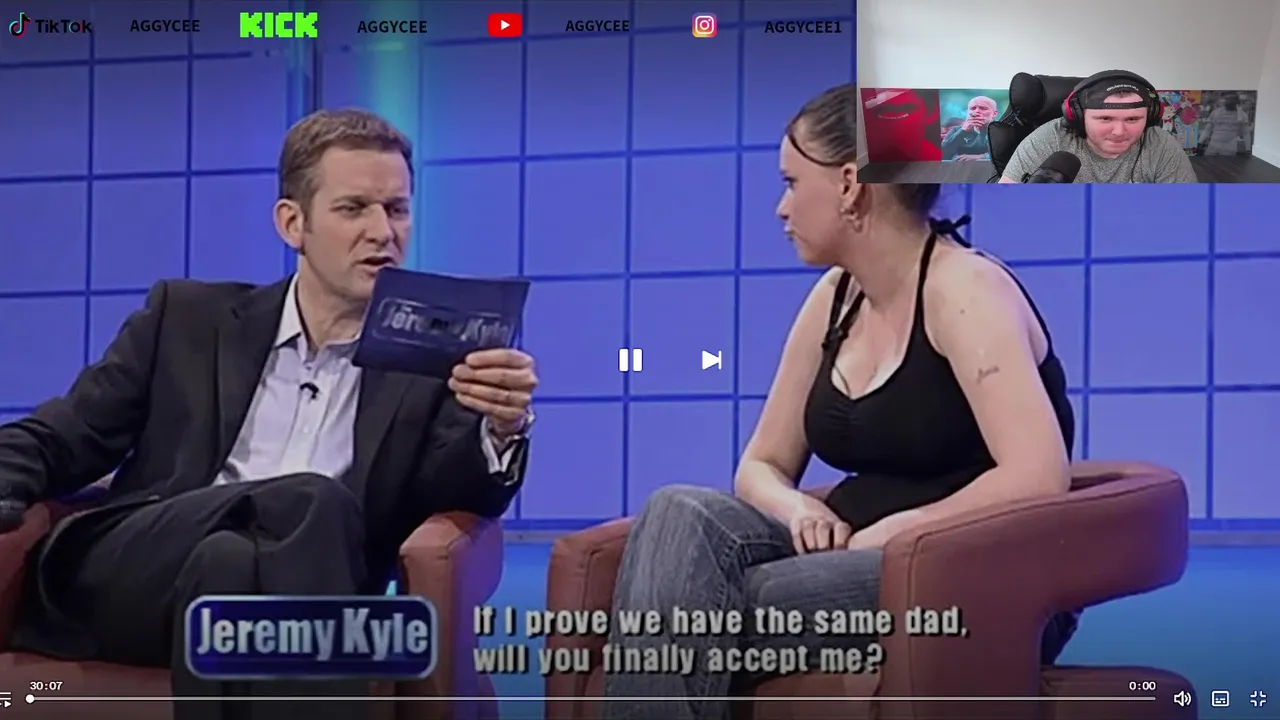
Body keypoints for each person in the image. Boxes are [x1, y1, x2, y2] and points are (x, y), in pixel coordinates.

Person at [0, 108, 537, 720]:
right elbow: (63, 435)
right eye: (353, 208)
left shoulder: (433, 362)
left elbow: (459, 496)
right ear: (292, 223)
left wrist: (502, 427)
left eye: (396, 209)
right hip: (133, 573)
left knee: (231, 562)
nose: (382, 231)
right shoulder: (187, 318)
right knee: (314, 499)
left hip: (260, 590)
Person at [603, 83, 1079, 720]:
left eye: (792, 183)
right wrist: (797, 507)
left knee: (699, 604)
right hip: (849, 550)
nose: (781, 208)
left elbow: (1037, 474)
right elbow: (760, 465)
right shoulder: (834, 298)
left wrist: (897, 532)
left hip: (963, 567)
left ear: (851, 183)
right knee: (677, 509)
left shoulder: (965, 291)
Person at [998, 70, 1197, 183]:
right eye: (1105, 119)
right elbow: (1004, 206)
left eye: (1132, 119)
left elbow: (1188, 211)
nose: (1119, 132)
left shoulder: (1160, 144)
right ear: (1077, 116)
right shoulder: (1048, 139)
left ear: (1150, 117)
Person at [942, 95, 998, 161]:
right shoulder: (956, 130)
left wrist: (983, 156)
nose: (977, 111)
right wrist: (963, 131)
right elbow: (942, 154)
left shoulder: (1001, 131)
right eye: (973, 108)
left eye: (983, 108)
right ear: (968, 112)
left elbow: (1006, 153)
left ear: (994, 114)